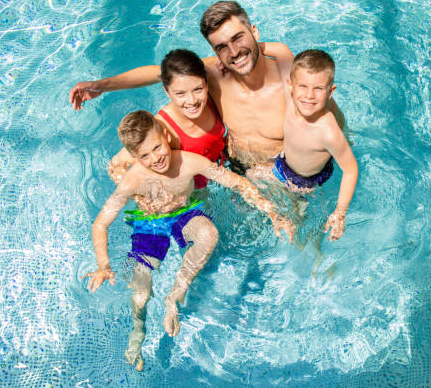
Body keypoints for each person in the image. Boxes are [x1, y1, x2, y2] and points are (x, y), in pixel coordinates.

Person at [82, 110, 294, 372]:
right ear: (134, 158)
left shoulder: (189, 162)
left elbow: (238, 183)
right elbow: (100, 223)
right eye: (144, 156)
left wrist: (271, 211)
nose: (155, 158)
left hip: (183, 212)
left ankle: (175, 295)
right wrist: (103, 265)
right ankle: (137, 335)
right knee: (140, 294)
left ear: (167, 136)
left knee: (209, 234)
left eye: (157, 148)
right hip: (150, 223)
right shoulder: (133, 179)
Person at [69, 0, 344, 176]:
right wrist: (101, 86)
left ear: (255, 33)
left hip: (285, 173)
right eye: (222, 47)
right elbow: (159, 73)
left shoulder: (290, 80)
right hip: (234, 169)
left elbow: (332, 122)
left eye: (238, 38)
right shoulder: (213, 74)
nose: (234, 52)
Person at [105, 49, 226, 189]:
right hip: (193, 193)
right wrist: (141, 195)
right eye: (180, 94)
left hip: (220, 171)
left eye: (198, 89)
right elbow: (116, 165)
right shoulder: (163, 127)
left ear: (207, 83)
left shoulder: (212, 98)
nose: (192, 101)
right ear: (167, 92)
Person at [270, 49, 358, 240]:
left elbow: (351, 169)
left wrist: (340, 213)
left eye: (318, 88)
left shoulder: (327, 131)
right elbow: (281, 54)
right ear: (290, 86)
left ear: (330, 91)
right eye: (303, 86)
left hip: (307, 182)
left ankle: (313, 252)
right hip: (282, 165)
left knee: (299, 224)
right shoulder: (291, 100)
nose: (309, 95)